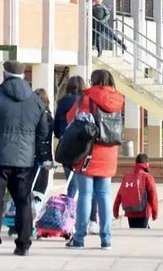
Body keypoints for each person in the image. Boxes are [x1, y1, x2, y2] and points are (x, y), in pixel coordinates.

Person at [0, 60, 50, 257]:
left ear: (4, 73)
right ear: (24, 76)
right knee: (23, 200)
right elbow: (43, 132)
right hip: (24, 160)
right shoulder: (36, 101)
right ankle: (23, 244)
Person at [65, 69, 125, 250]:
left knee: (85, 195)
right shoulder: (117, 100)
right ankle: (106, 238)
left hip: (88, 152)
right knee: (104, 195)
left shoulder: (86, 99)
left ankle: (79, 237)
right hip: (109, 153)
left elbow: (70, 118)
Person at [53, 76, 99, 230]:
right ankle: (92, 220)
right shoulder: (86, 101)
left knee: (71, 185)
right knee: (89, 189)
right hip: (84, 148)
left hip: (67, 148)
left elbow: (56, 126)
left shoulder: (62, 102)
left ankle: (67, 217)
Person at [113, 153, 158, 228]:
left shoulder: (127, 176)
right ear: (147, 164)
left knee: (133, 232)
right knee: (142, 235)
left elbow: (120, 194)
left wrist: (115, 211)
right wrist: (155, 213)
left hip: (129, 211)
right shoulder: (147, 177)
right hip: (143, 212)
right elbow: (153, 195)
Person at [32, 88, 54, 194]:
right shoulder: (48, 118)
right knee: (40, 189)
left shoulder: (29, 116)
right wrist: (48, 159)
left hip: (28, 156)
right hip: (41, 156)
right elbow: (46, 140)